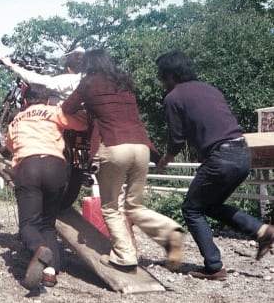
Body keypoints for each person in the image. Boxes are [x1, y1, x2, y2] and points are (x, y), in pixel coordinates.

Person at [62, 48, 184, 273]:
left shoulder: (89, 83)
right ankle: (169, 231)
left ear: (89, 65)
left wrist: (87, 107)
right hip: (141, 148)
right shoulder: (125, 82)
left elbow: (67, 108)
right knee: (134, 205)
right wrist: (158, 156)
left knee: (110, 207)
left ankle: (125, 256)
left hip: (114, 146)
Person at [155, 50, 274, 280]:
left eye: (161, 77)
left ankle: (213, 266)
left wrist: (164, 160)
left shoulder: (173, 97)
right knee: (210, 205)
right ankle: (261, 231)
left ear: (169, 75)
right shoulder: (210, 90)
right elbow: (213, 125)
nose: (161, 82)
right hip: (242, 153)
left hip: (222, 156)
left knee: (191, 208)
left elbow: (176, 139)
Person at [6, 84, 88, 290]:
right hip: (55, 167)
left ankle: (38, 249)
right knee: (48, 224)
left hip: (29, 167)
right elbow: (80, 124)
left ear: (25, 101)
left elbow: (9, 145)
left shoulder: (17, 118)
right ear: (47, 100)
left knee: (28, 225)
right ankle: (50, 273)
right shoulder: (54, 111)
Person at [0, 50, 85, 99]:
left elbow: (37, 79)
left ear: (69, 70)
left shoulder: (70, 80)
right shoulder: (93, 80)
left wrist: (11, 65)